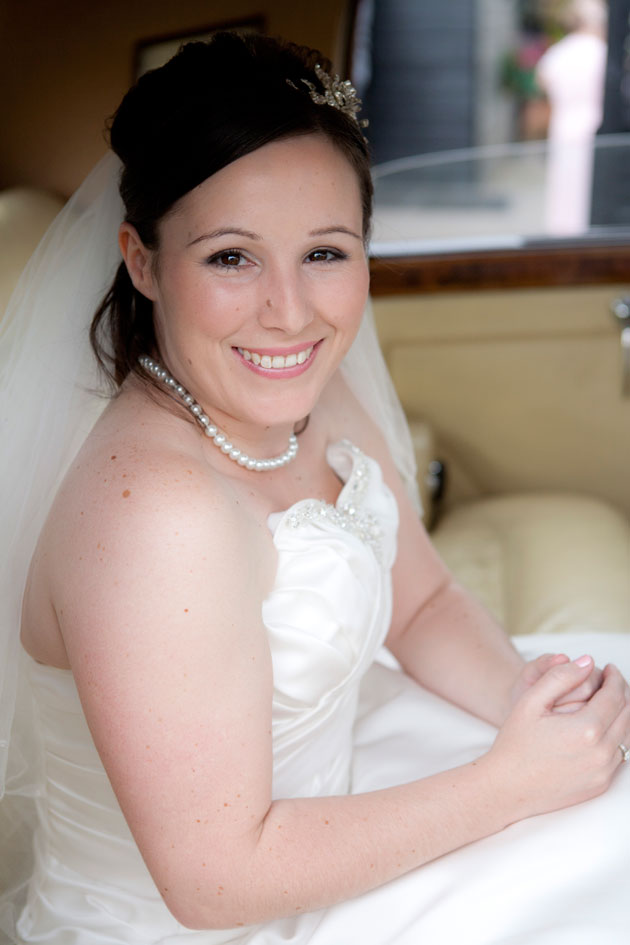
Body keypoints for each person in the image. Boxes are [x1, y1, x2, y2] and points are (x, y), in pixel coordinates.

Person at [1, 31, 629, 945]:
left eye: (326, 253)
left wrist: (537, 709)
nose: (290, 312)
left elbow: (423, 604)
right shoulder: (152, 515)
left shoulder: (310, 399)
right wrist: (511, 783)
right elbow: (215, 882)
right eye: (231, 258)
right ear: (142, 261)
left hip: (336, 810)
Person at [536, 0, 608, 234]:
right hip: (594, 124)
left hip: (564, 125)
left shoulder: (559, 52)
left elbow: (542, 82)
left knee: (564, 183)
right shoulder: (602, 53)